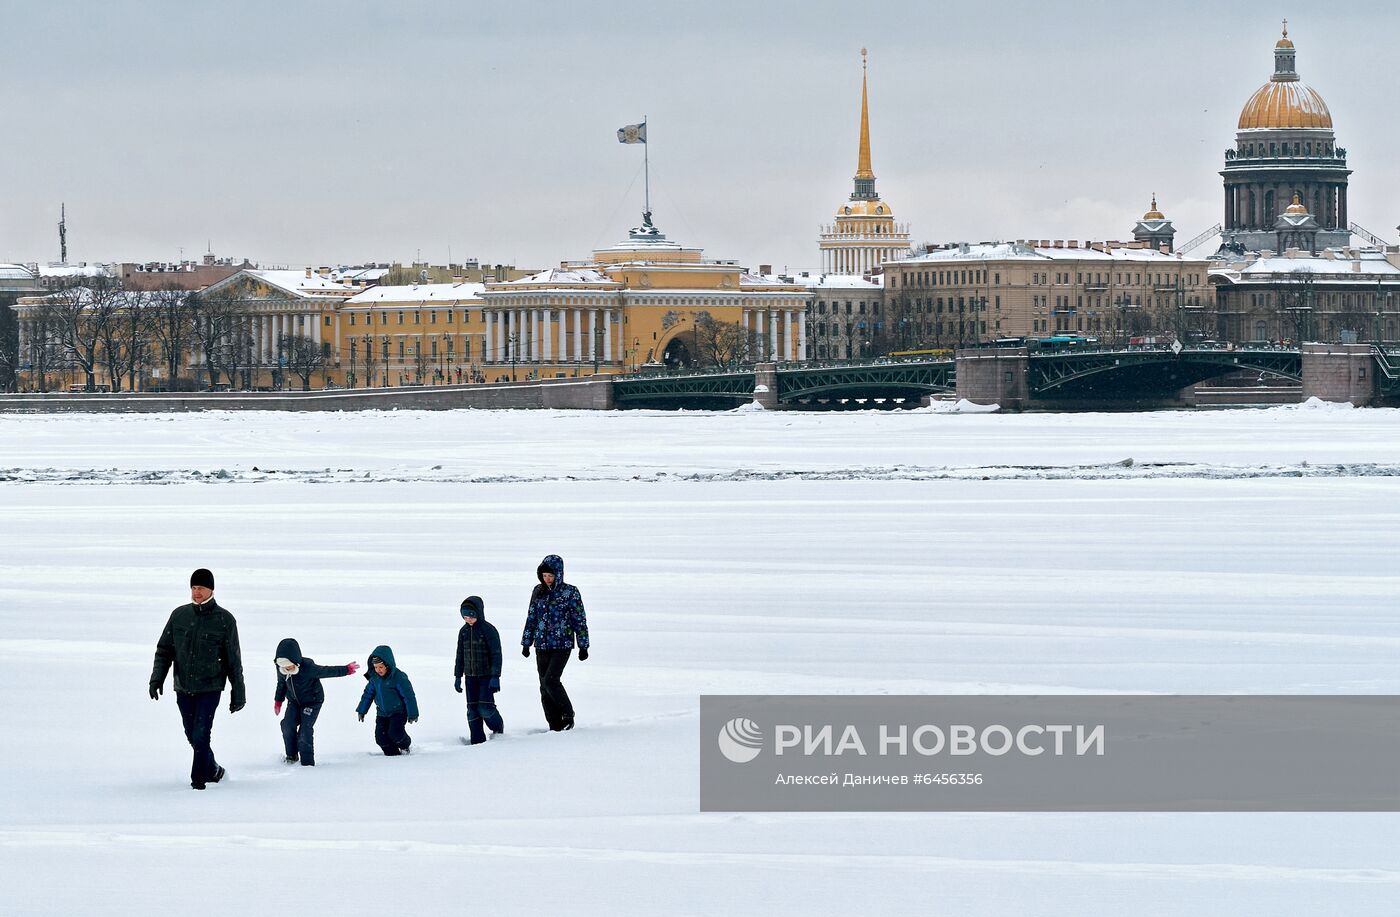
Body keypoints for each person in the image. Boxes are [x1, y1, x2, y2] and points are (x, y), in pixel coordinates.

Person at [149, 568, 246, 790]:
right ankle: (213, 770)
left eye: (201, 588)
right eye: (193, 588)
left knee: (202, 734)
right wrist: (157, 679)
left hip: (210, 688)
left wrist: (238, 693)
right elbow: (164, 650)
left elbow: (233, 661)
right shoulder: (179, 615)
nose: (196, 592)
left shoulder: (225, 620)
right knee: (192, 735)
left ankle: (198, 783)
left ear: (211, 589)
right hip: (183, 687)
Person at [520, 554, 589, 731]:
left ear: (559, 574)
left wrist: (583, 645)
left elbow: (579, 619)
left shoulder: (570, 592)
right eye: (544, 576)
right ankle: (554, 725)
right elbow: (531, 617)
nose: (547, 579)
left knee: (551, 680)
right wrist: (526, 642)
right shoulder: (538, 591)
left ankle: (568, 714)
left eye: (550, 576)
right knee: (544, 686)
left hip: (562, 645)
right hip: (541, 645)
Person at [273, 638, 360, 766]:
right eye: (283, 666)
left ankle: (307, 764)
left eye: (289, 665)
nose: (287, 668)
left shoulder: (308, 667)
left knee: (305, 731)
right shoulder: (281, 667)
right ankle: (291, 756)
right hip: (294, 702)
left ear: (295, 661)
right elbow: (281, 684)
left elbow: (326, 671)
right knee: (287, 725)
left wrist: (346, 669)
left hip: (312, 701)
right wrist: (278, 701)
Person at [454, 596, 503, 744]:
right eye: (465, 617)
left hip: (486, 677)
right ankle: (477, 741)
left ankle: (498, 728)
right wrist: (458, 676)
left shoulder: (488, 630)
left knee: (485, 707)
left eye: (471, 616)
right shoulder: (463, 632)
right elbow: (460, 655)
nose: (468, 620)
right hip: (470, 677)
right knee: (472, 711)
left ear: (479, 613)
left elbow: (496, 654)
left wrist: (495, 676)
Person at [355, 645, 418, 755]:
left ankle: (405, 745)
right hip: (382, 713)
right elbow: (368, 694)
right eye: (375, 667)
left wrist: (412, 713)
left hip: (398, 712)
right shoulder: (374, 678)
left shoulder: (398, 677)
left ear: (387, 665)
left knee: (395, 734)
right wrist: (362, 710)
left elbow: (409, 696)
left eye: (380, 667)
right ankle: (392, 755)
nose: (378, 670)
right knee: (381, 738)